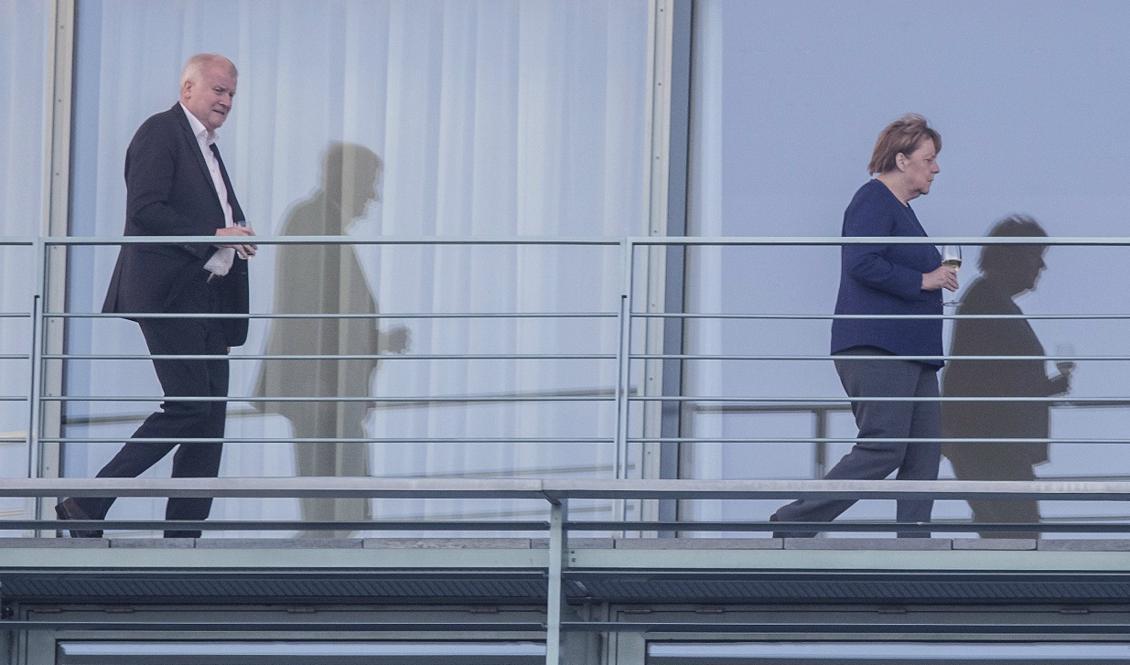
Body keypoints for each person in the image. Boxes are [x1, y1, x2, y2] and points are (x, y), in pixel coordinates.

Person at [56, 53, 256, 538]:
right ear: (188, 88)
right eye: (218, 90)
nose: (227, 101)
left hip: (208, 299)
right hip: (171, 295)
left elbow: (208, 215)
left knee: (209, 423)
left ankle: (183, 540)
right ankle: (86, 501)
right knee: (188, 405)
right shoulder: (161, 132)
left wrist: (234, 236)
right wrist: (216, 232)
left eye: (231, 93)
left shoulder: (207, 147)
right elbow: (145, 210)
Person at [771, 113, 956, 538]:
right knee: (884, 445)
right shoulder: (873, 199)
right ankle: (796, 521)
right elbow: (862, 261)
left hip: (915, 353)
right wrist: (923, 279)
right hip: (879, 347)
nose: (937, 168)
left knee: (923, 453)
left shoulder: (904, 212)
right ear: (903, 159)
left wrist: (934, 276)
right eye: (929, 158)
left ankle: (914, 542)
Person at [254, 143, 409, 537]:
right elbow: (307, 312)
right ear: (349, 180)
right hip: (322, 391)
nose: (374, 197)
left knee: (342, 505)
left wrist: (375, 339)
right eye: (370, 184)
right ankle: (318, 582)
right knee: (332, 506)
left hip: (329, 390)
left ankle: (325, 570)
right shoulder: (312, 223)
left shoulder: (319, 223)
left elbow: (327, 315)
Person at [942, 215, 1070, 539]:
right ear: (1012, 256)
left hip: (995, 442)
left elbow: (994, 377)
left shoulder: (990, 300)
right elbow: (981, 379)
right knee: (1016, 537)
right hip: (990, 444)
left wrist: (1045, 387)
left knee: (1013, 535)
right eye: (1035, 255)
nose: (1041, 266)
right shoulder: (986, 301)